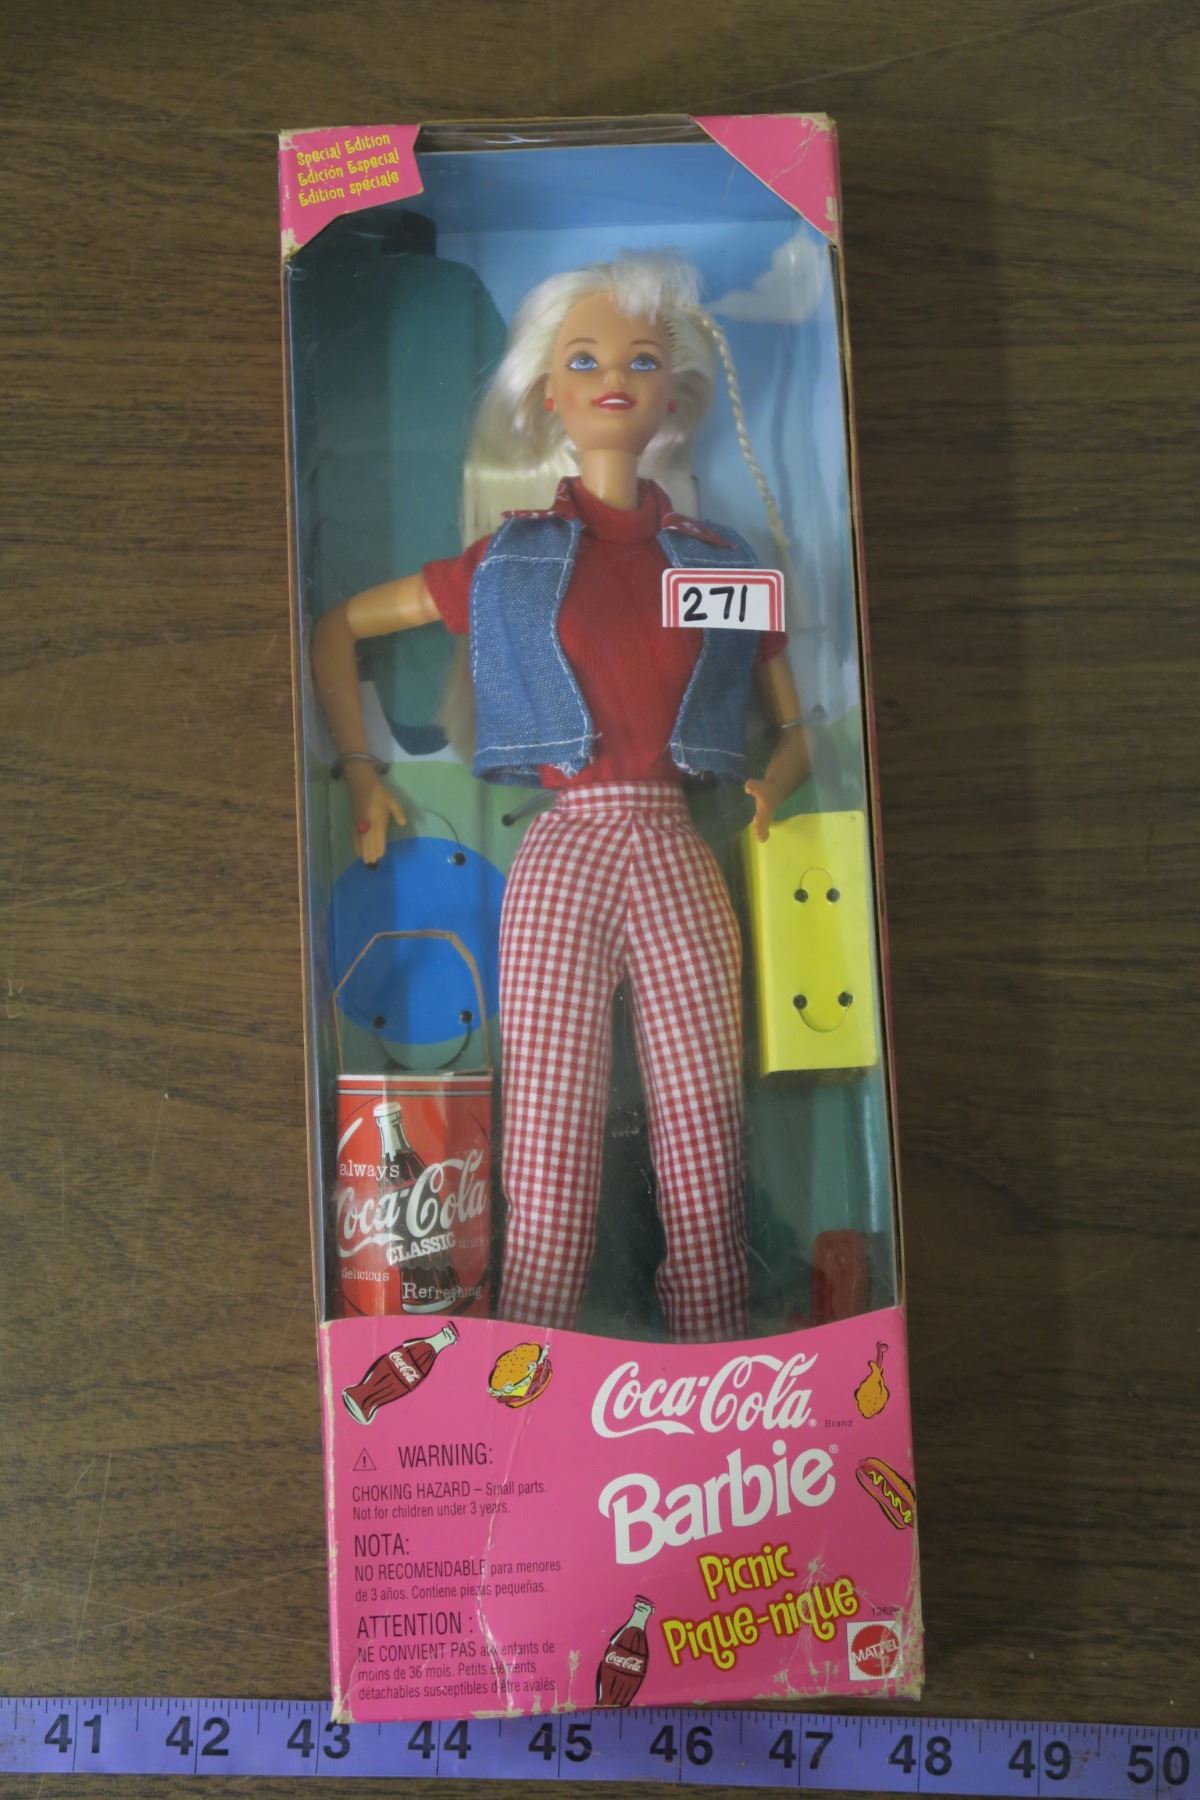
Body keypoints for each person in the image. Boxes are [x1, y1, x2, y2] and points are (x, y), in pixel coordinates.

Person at [313, 252, 810, 1341]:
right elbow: (337, 628)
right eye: (585, 361)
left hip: (676, 847)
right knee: (546, 1157)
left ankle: (716, 1360)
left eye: (641, 360)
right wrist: (360, 770)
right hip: (565, 849)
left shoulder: (717, 562)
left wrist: (776, 781)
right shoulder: (510, 561)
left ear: (676, 391)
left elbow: (793, 725)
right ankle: (529, 1374)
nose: (613, 380)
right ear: (548, 393)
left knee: (705, 1146)